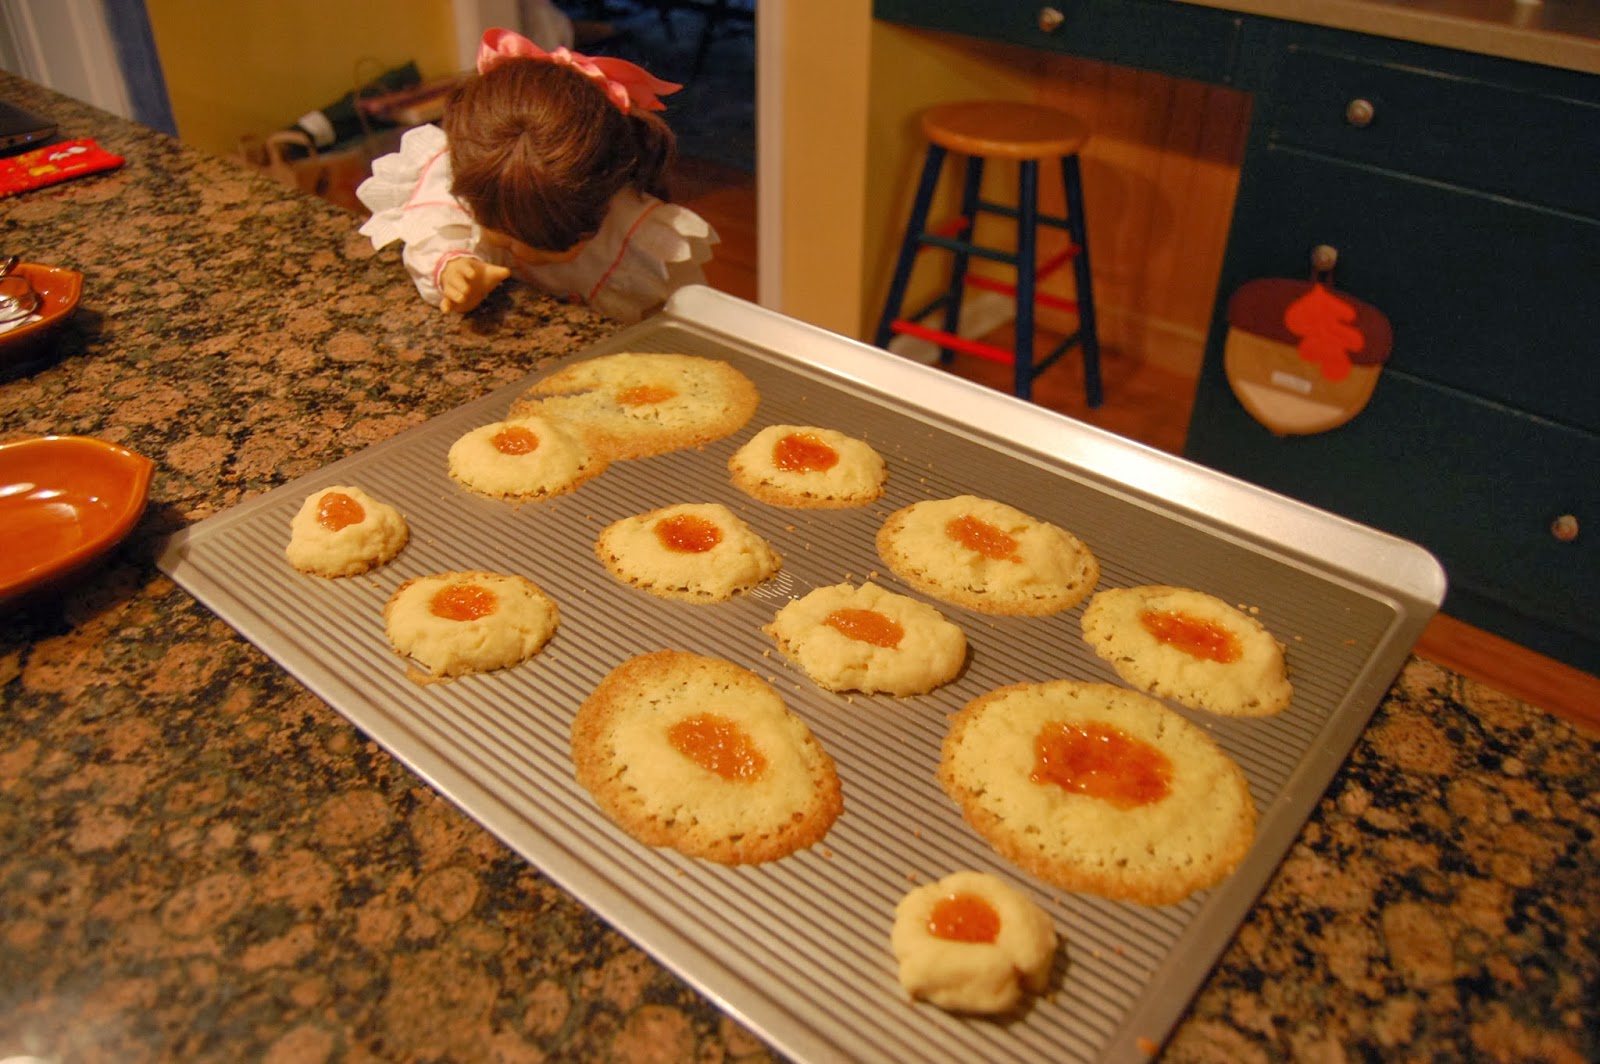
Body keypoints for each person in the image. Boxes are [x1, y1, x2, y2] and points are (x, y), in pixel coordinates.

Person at [356, 28, 717, 323]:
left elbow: (678, 322)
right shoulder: (468, 178)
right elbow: (434, 226)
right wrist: (454, 269)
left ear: (603, 205)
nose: (519, 253)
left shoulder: (641, 240)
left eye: (542, 247)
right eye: (504, 236)